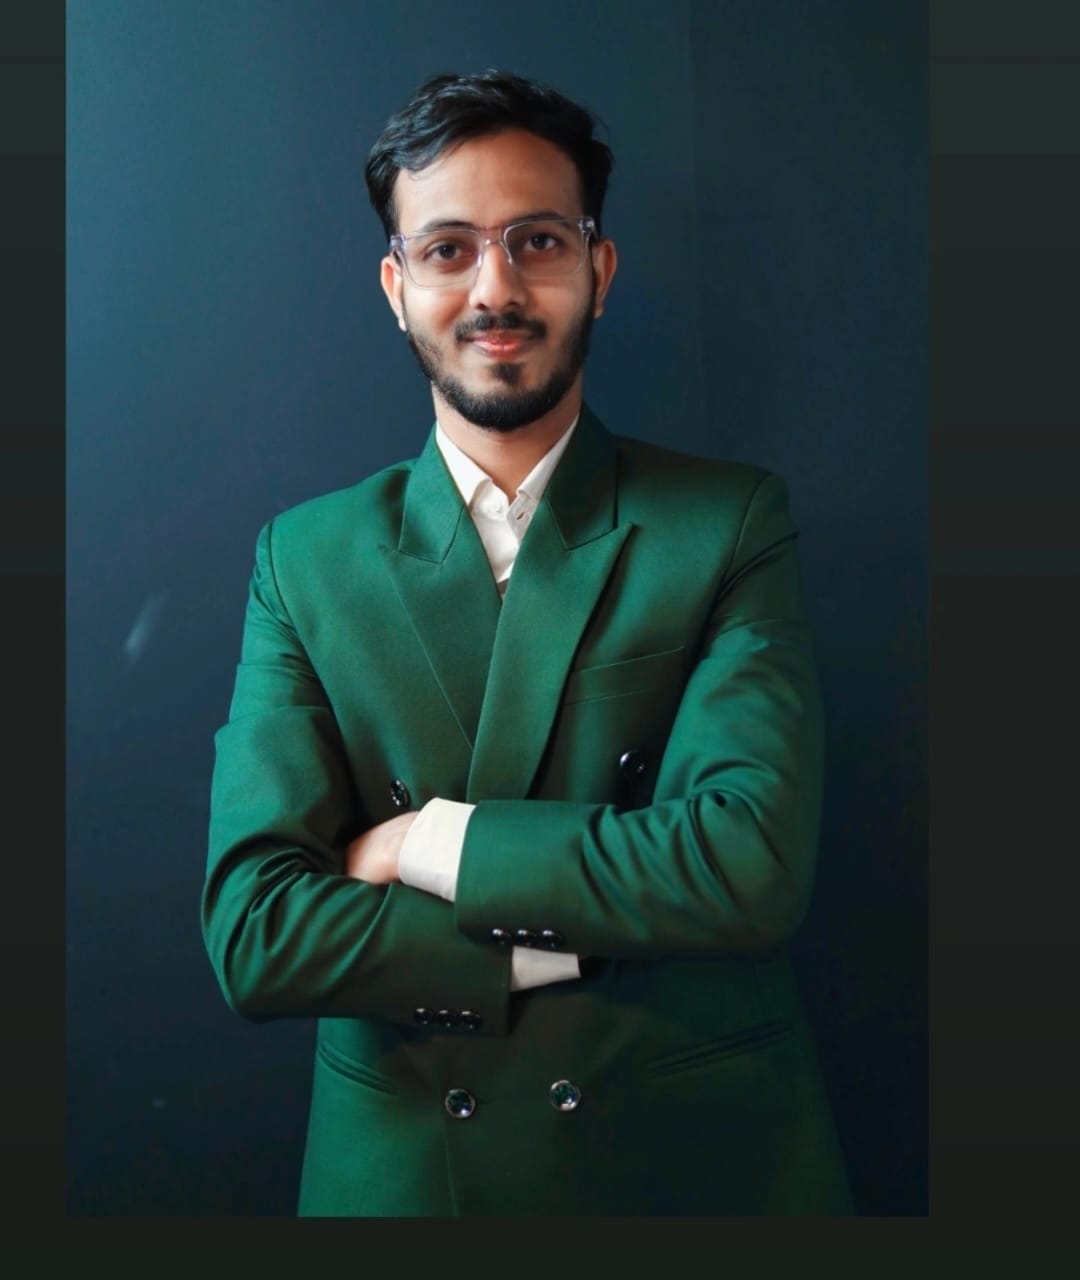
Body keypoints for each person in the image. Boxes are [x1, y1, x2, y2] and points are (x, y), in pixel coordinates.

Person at [202, 69, 853, 1217]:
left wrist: (420, 839)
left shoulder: (729, 520)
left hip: (692, 1161)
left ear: (598, 269)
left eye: (537, 240)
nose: (495, 287)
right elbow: (259, 934)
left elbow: (748, 866)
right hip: (409, 1167)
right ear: (397, 287)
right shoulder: (301, 558)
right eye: (448, 249)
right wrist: (589, 931)